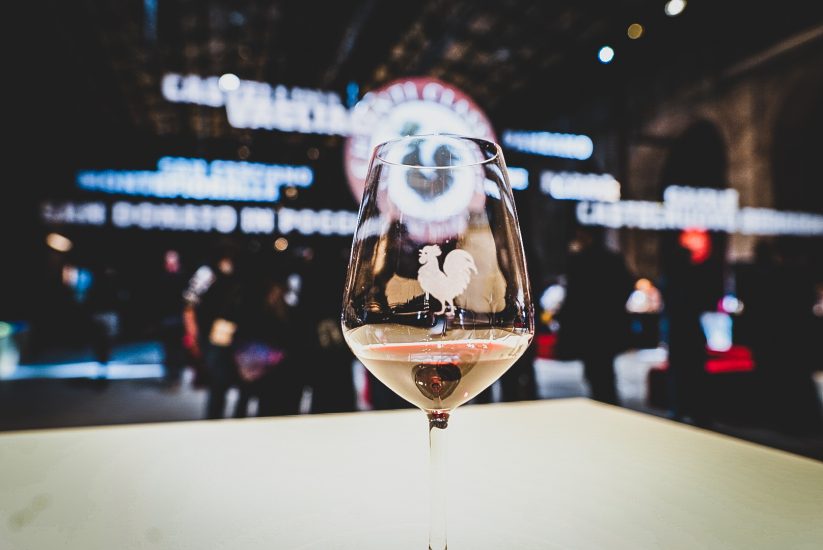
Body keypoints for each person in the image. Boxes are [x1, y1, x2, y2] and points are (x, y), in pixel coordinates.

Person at [557, 227, 633, 405]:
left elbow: (574, 296)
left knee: (596, 372)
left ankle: (604, 405)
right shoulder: (612, 258)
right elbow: (627, 286)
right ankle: (608, 404)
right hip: (608, 325)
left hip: (589, 327)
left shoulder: (580, 260)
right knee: (605, 371)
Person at [661, 229, 722, 424]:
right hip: (687, 330)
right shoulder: (690, 278)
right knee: (691, 371)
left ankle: (682, 409)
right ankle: (693, 411)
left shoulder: (672, 280)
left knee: (683, 371)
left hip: (680, 330)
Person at [183, 245, 242, 419]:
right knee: (218, 381)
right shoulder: (207, 271)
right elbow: (189, 305)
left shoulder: (239, 269)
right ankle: (213, 421)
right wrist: (193, 334)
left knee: (237, 380)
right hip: (213, 334)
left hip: (236, 334)